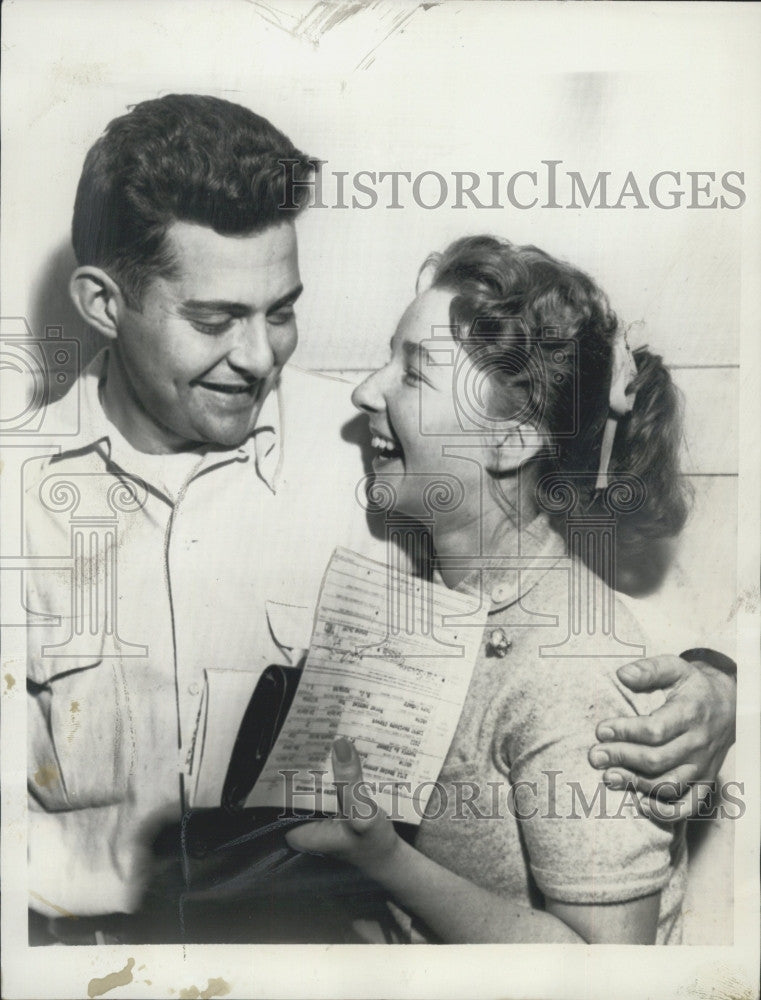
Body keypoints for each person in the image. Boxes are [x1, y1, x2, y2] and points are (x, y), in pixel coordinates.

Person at [24, 95, 735, 944]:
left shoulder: (376, 459)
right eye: (215, 321)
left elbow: (567, 622)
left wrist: (717, 683)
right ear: (103, 304)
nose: (257, 359)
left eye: (280, 311)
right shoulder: (13, 501)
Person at [285, 235, 735, 944]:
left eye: (412, 374)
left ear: (511, 440)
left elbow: (609, 975)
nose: (363, 391)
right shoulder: (432, 594)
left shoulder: (570, 671)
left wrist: (384, 861)